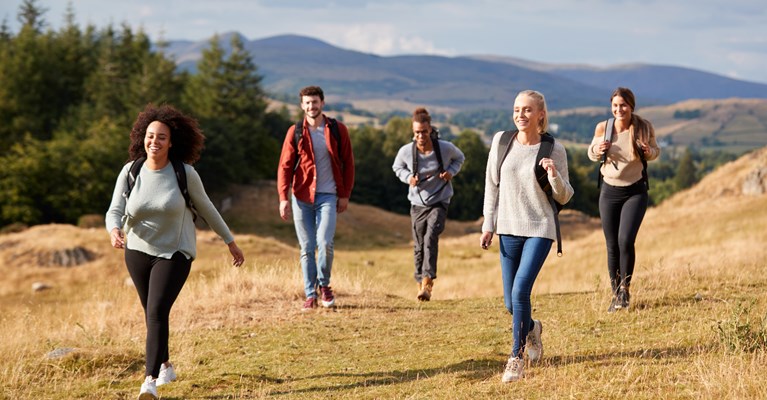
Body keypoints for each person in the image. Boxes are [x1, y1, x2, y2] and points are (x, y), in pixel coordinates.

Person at [106, 104, 245, 400]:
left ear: (172, 142)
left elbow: (207, 208)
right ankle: (166, 364)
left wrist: (229, 241)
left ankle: (149, 381)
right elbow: (115, 209)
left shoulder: (184, 174)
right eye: (150, 135)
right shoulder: (131, 171)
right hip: (137, 252)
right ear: (142, 137)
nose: (154, 142)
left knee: (156, 312)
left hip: (174, 253)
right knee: (152, 314)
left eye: (161, 137)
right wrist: (114, 230)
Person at [479, 90, 574, 383]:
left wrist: (554, 174)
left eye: (528, 110)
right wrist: (488, 223)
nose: (521, 115)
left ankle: (515, 358)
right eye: (517, 109)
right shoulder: (501, 141)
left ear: (541, 115)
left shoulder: (554, 148)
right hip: (508, 228)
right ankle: (532, 328)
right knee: (511, 303)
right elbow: (492, 184)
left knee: (521, 292)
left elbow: (565, 196)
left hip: (539, 229)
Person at [277, 86, 355, 312]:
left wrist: (345, 194)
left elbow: (348, 163)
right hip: (301, 196)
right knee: (307, 247)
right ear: (302, 106)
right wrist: (283, 197)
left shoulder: (338, 129)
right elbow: (285, 166)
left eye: (315, 102)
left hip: (329, 196)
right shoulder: (295, 131)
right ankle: (310, 294)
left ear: (322, 103)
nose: (312, 106)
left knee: (325, 243)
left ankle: (324, 285)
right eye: (307, 103)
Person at [588, 87, 660, 313]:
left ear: (631, 106)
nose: (619, 109)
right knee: (611, 245)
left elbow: (656, 152)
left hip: (635, 191)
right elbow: (591, 153)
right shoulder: (604, 127)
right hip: (609, 191)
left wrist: (648, 151)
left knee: (625, 240)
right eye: (615, 105)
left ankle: (626, 289)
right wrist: (597, 149)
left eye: (623, 105)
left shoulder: (643, 127)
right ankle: (616, 294)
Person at [392, 107, 465, 301]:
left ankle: (427, 282)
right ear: (413, 132)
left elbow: (460, 158)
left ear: (430, 130)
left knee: (431, 236)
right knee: (419, 244)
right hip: (417, 203)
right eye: (417, 132)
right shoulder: (406, 151)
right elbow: (397, 167)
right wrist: (408, 178)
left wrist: (450, 172)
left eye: (424, 132)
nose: (421, 136)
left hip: (440, 200)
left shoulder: (445, 148)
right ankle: (419, 283)